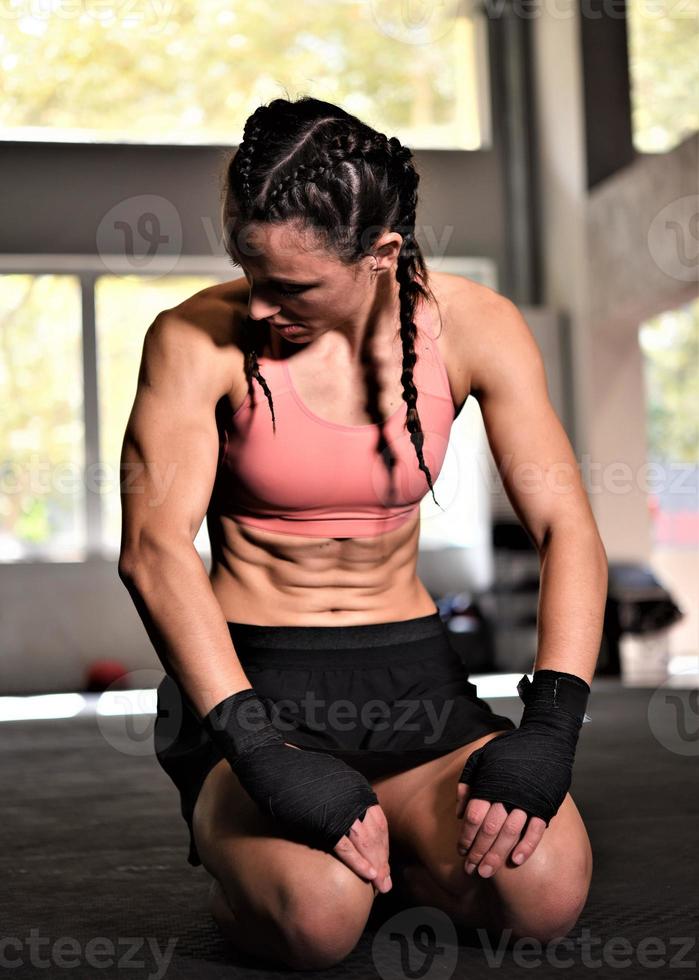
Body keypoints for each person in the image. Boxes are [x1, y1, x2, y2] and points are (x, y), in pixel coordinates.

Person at [118, 96, 608, 971]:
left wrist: (550, 727)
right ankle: (259, 864)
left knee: (543, 898)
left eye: (294, 286)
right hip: (255, 683)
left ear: (382, 255)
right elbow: (154, 551)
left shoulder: (474, 326)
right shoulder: (194, 339)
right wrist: (259, 750)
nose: (261, 305)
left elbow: (565, 526)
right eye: (248, 270)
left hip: (415, 677)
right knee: (317, 922)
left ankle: (391, 858)